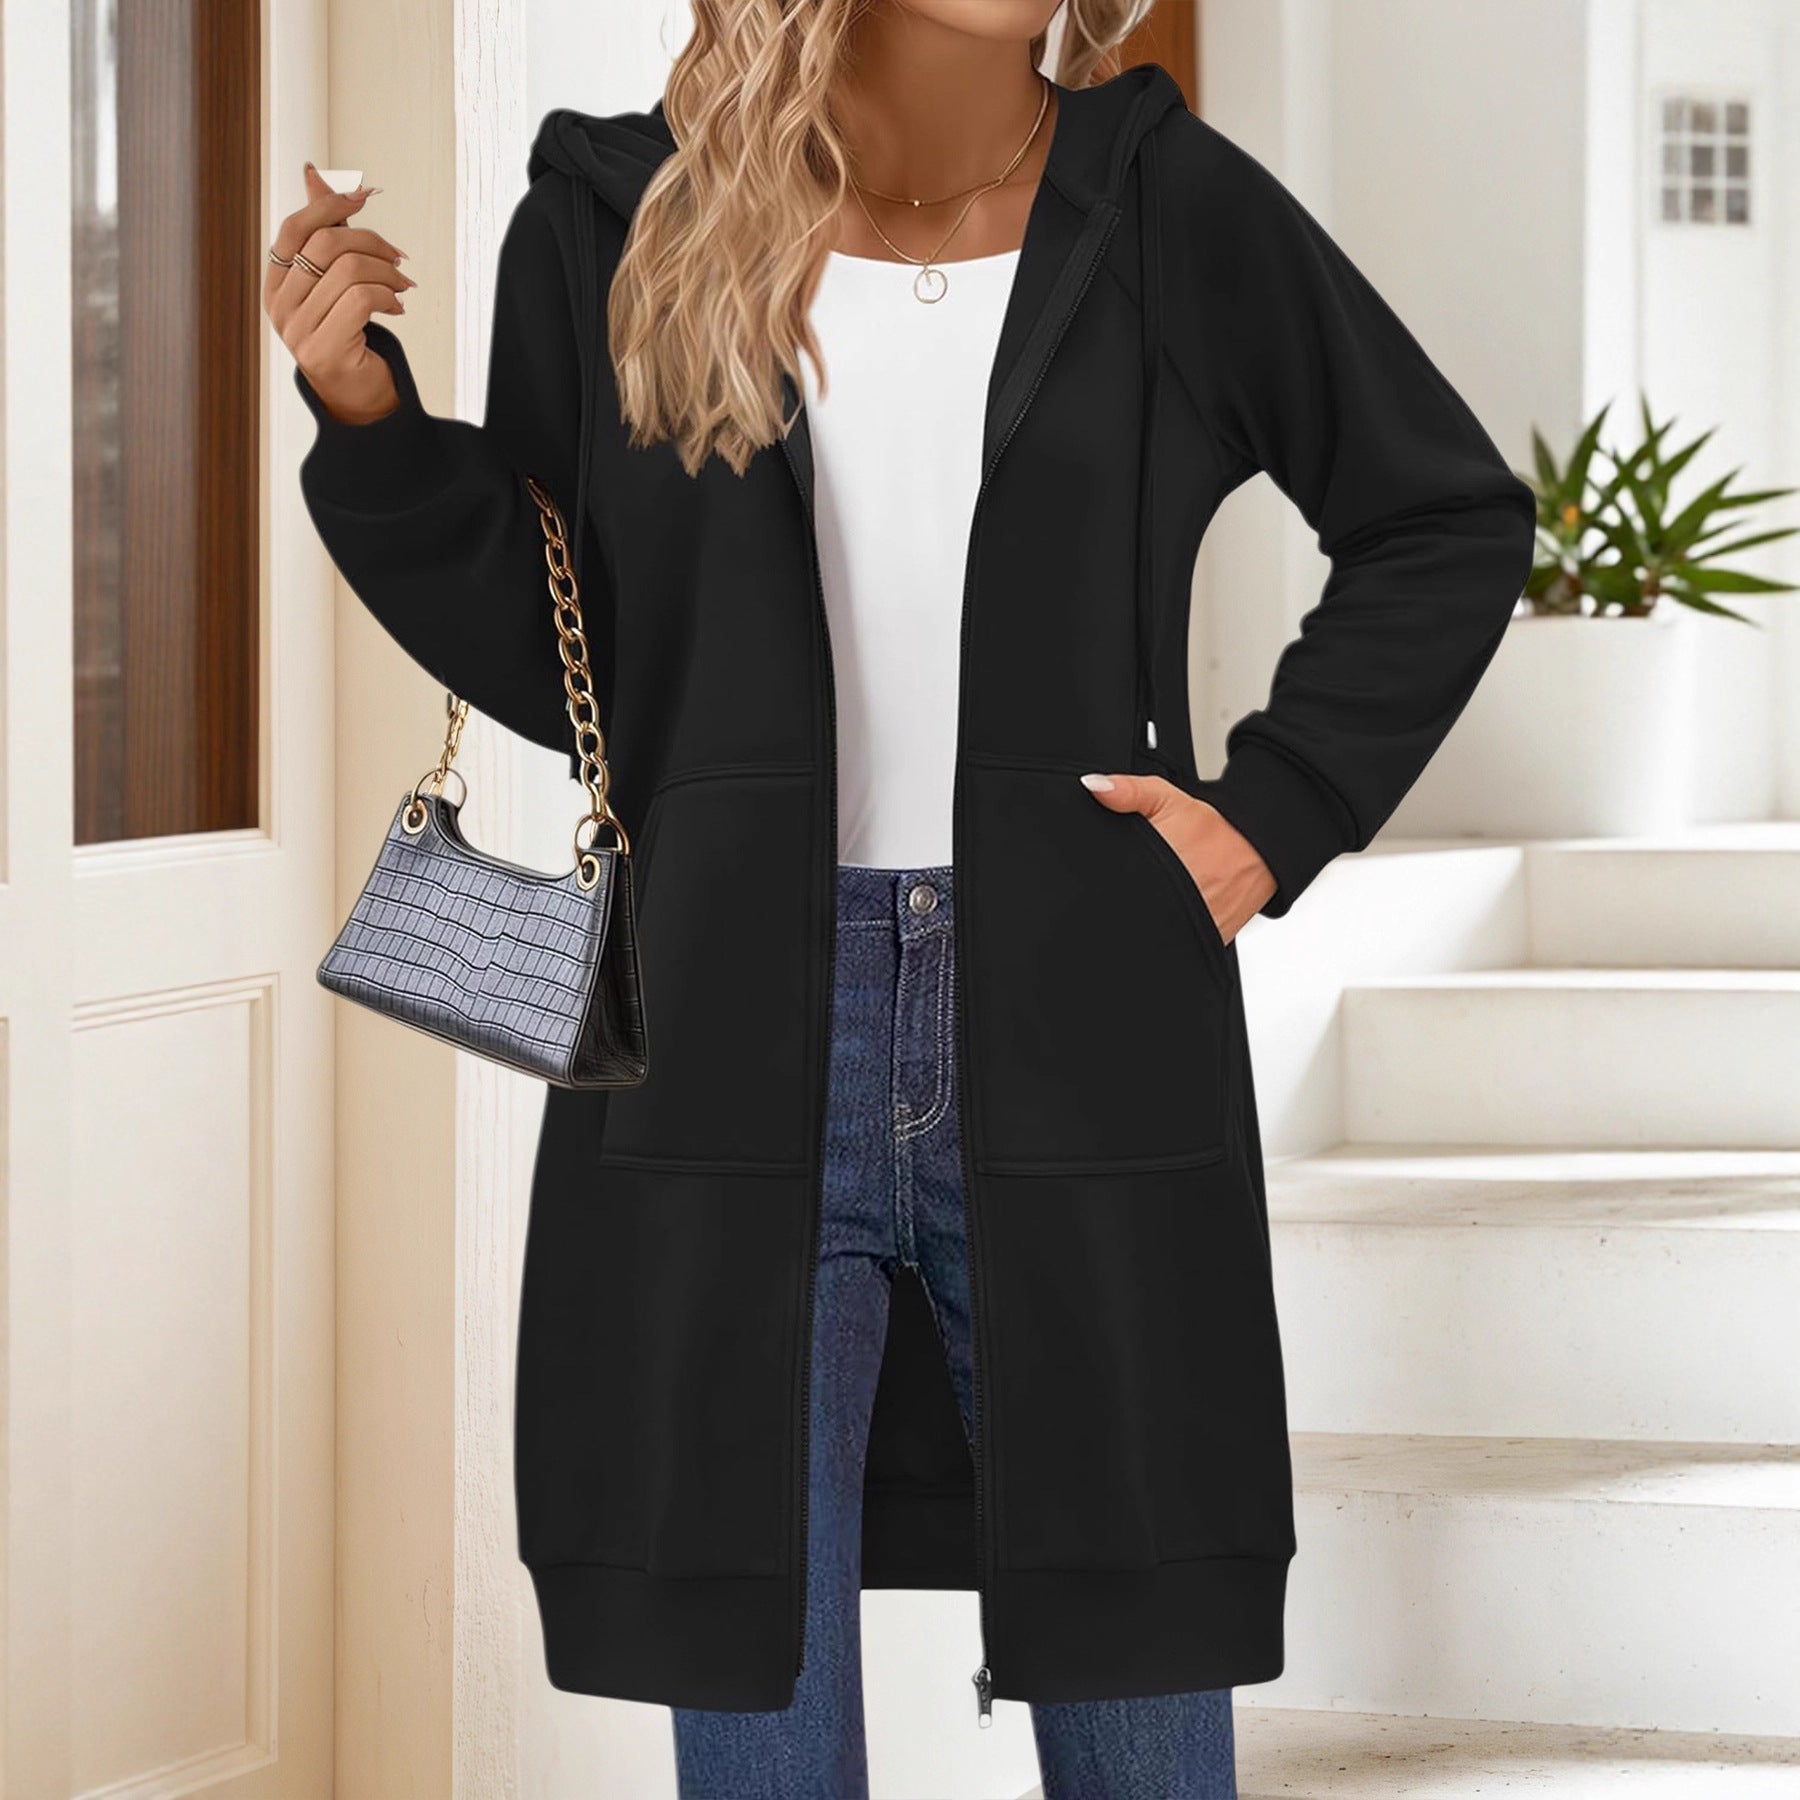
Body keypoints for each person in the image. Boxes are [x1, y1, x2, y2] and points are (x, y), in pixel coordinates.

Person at [266, 2, 1536, 1794]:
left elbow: (1444, 515)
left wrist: (1274, 814)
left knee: (1138, 1660)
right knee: (756, 1682)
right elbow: (578, 655)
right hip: (730, 1020)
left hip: (1082, 1006)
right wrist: (369, 417)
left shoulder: (1166, 203)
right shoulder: (623, 214)